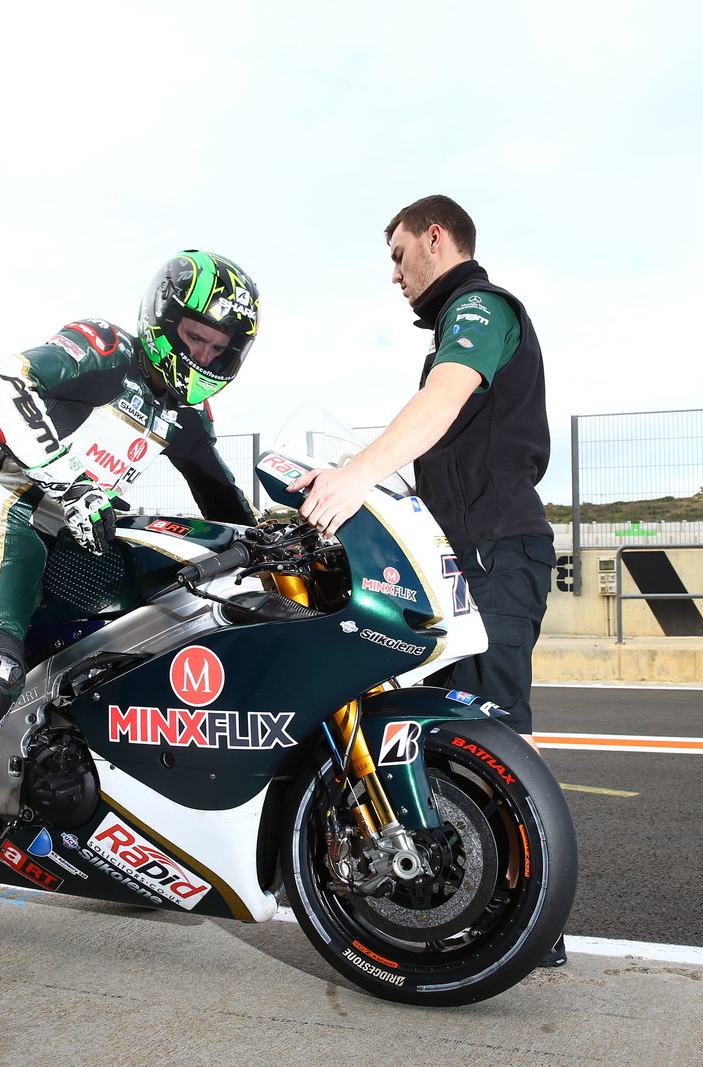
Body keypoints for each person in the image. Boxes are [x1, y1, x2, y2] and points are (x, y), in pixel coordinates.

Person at [0, 250, 261, 964]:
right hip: (16, 510)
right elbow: (0, 383)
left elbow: (220, 495)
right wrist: (69, 480)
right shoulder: (107, 349)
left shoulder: (187, 413)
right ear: (163, 318)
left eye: (218, 348)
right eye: (195, 336)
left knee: (177, 627)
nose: (203, 356)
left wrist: (274, 543)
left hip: (90, 536)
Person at [287, 196, 564, 966]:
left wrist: (355, 475)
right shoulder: (456, 323)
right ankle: (489, 919)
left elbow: (441, 399)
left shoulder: (481, 308)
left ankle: (527, 929)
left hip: (494, 553)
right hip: (465, 554)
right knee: (445, 735)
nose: (395, 274)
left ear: (435, 238)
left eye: (399, 254)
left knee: (489, 736)